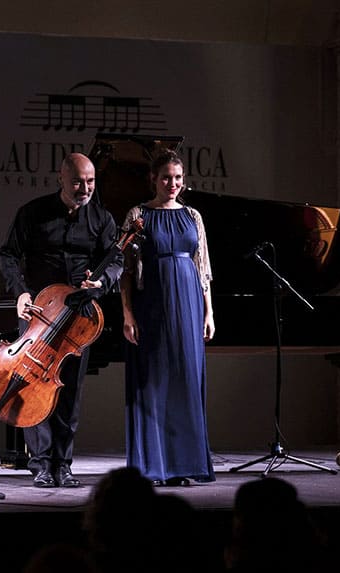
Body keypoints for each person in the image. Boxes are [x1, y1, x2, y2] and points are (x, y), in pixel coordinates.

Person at [0, 152, 123, 488]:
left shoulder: (101, 218)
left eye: (91, 181)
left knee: (69, 390)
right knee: (34, 386)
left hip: (79, 317)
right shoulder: (33, 213)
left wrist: (103, 282)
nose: (85, 188)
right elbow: (8, 254)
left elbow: (116, 260)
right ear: (61, 179)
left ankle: (63, 464)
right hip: (39, 313)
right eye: (79, 181)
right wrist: (20, 293)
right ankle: (40, 464)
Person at [119, 149, 216, 486]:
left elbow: (202, 267)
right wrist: (128, 313)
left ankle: (184, 465)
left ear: (183, 180)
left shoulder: (193, 216)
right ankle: (154, 467)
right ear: (153, 180)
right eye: (165, 178)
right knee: (155, 383)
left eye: (177, 178)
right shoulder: (138, 215)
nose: (172, 183)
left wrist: (209, 312)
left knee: (185, 381)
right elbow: (126, 272)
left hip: (189, 303)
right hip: (153, 303)